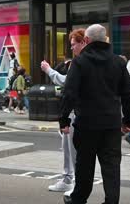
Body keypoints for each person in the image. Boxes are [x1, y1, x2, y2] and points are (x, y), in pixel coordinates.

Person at [60, 24, 130, 204]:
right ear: (105, 39)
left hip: (86, 123)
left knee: (84, 164)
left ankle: (79, 198)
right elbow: (127, 93)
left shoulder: (79, 62)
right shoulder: (118, 62)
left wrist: (63, 119)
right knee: (111, 166)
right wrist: (128, 119)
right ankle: (112, 200)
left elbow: (69, 93)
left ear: (86, 40)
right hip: (111, 123)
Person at [41, 28, 86, 195]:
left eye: (74, 44)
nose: (72, 48)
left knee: (74, 150)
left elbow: (66, 82)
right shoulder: (78, 61)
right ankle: (68, 179)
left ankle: (74, 183)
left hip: (80, 112)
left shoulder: (81, 62)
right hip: (74, 111)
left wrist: (48, 70)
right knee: (67, 147)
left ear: (84, 42)